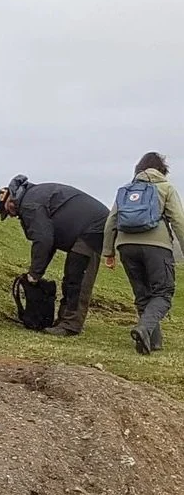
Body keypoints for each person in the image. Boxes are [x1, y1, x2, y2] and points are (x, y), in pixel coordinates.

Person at [0, 176, 108, 336]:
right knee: (72, 276)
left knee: (77, 276)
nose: (11, 215)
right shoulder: (32, 197)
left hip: (94, 228)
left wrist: (34, 274)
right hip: (89, 227)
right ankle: (64, 320)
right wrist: (35, 272)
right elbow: (49, 242)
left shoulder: (30, 205)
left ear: (11, 200)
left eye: (7, 211)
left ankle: (70, 325)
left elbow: (43, 240)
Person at [102, 151, 184, 355]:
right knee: (163, 293)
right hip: (157, 246)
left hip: (126, 246)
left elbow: (111, 221)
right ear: (163, 169)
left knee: (142, 294)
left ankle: (152, 342)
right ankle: (144, 329)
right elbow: (179, 221)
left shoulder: (126, 189)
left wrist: (109, 251)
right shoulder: (165, 188)